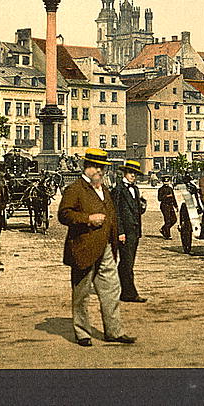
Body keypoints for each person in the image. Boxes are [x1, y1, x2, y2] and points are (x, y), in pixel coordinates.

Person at [57, 148, 134, 347]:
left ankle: (114, 331)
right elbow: (64, 214)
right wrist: (87, 219)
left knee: (111, 290)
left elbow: (112, 214)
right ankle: (82, 332)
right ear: (86, 167)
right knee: (81, 293)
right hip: (84, 247)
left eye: (102, 167)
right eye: (95, 167)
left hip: (106, 247)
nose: (99, 171)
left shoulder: (104, 189)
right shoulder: (75, 189)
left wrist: (117, 233)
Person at [111, 159, 147, 303]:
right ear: (125, 173)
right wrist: (120, 232)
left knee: (127, 262)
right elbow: (116, 213)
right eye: (131, 173)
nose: (133, 176)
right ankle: (130, 293)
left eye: (135, 174)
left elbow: (136, 210)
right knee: (127, 262)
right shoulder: (118, 189)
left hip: (134, 231)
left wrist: (142, 206)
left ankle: (121, 290)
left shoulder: (135, 189)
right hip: (124, 232)